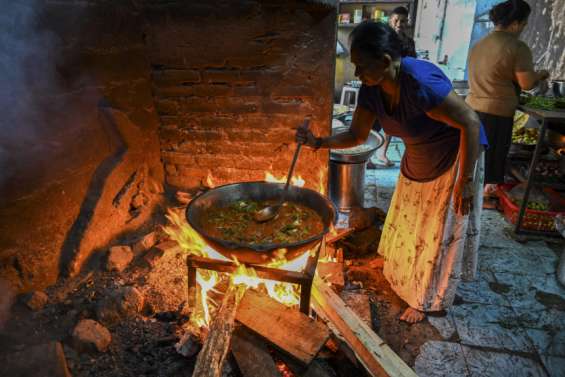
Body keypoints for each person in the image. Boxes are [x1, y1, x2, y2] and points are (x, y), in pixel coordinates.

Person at [298, 21, 487, 323]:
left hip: (456, 157)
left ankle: (427, 299)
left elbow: (471, 124)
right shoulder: (372, 90)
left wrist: (465, 182)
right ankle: (403, 276)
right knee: (409, 222)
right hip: (419, 153)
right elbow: (356, 136)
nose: (357, 74)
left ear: (385, 61)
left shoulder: (421, 83)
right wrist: (319, 143)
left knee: (437, 232)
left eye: (361, 66)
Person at [466, 0, 549, 207]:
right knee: (492, 159)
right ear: (515, 23)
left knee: (476, 156)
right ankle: (483, 198)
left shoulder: (480, 44)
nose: (523, 29)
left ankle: (474, 192)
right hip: (496, 111)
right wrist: (541, 74)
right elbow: (527, 83)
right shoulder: (516, 46)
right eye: (524, 24)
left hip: (472, 108)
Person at [370, 6, 416, 168]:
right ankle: (367, 157)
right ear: (390, 20)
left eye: (402, 21)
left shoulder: (409, 43)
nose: (399, 24)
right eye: (396, 20)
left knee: (392, 121)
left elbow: (412, 63)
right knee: (373, 121)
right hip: (379, 84)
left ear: (407, 23)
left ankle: (382, 154)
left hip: (399, 87)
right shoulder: (382, 39)